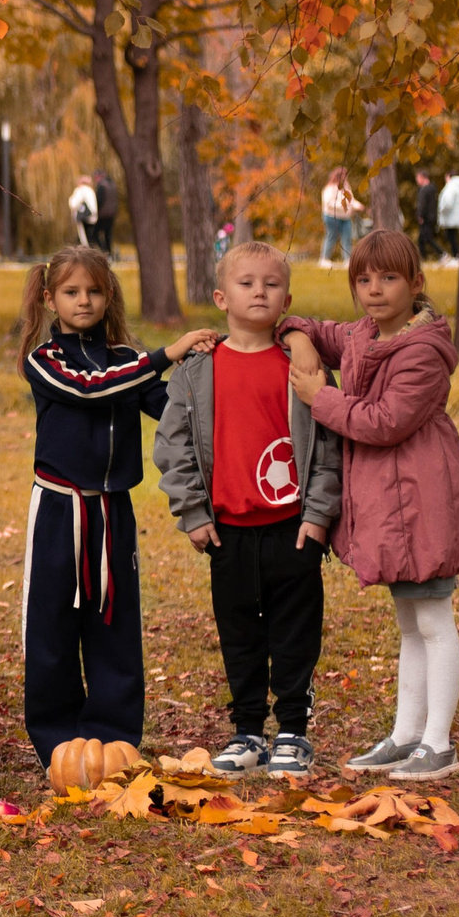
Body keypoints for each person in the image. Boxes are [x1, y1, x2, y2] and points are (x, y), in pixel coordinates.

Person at [283, 231, 459, 781]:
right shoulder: (364, 335)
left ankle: (437, 743)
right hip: (392, 508)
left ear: (415, 285)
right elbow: (322, 332)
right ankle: (405, 734)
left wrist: (318, 398)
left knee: (434, 620)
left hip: (422, 500)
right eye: (363, 280)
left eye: (389, 278)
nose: (374, 290)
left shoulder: (422, 351)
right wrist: (294, 330)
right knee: (410, 624)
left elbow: (384, 421)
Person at [17, 247, 218, 765]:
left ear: (109, 297)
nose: (84, 300)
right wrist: (165, 354)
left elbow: (170, 407)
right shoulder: (44, 361)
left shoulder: (128, 361)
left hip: (112, 513)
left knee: (114, 621)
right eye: (71, 292)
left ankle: (114, 735)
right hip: (61, 511)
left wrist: (208, 371)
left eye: (94, 290)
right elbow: (89, 391)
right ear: (49, 299)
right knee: (52, 624)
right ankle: (57, 738)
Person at [153, 242, 342, 778]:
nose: (259, 291)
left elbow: (327, 445)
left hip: (294, 529)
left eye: (271, 284)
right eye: (246, 283)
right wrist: (192, 511)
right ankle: (247, 731)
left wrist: (319, 513)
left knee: (294, 633)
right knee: (239, 633)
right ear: (220, 297)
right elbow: (174, 446)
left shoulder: (300, 368)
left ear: (287, 300)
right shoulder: (197, 372)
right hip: (228, 531)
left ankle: (292, 734)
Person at [320, 168, 365, 266]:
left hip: (346, 218)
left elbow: (350, 200)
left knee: (347, 237)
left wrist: (358, 206)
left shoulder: (346, 187)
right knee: (331, 236)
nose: (345, 177)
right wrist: (344, 207)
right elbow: (329, 203)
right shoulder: (330, 188)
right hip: (332, 216)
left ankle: (347, 260)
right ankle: (324, 259)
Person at [437, 171, 459, 266]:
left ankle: (456, 255)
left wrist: (442, 210)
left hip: (450, 217)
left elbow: (448, 202)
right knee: (455, 237)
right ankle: (458, 255)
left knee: (451, 237)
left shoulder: (451, 187)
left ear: (449, 177)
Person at [412, 168, 439, 260]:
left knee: (427, 238)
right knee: (422, 239)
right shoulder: (433, 189)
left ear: (422, 177)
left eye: (418, 178)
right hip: (432, 217)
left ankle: (441, 254)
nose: (417, 181)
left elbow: (422, 204)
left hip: (426, 218)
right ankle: (423, 258)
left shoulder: (424, 190)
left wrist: (420, 215)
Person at [91, 169, 119, 254]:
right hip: (111, 214)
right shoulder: (113, 185)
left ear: (99, 176)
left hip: (102, 214)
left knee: (95, 233)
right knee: (108, 234)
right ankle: (109, 252)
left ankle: (104, 250)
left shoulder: (102, 186)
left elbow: (99, 201)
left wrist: (95, 212)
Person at [69, 176, 100, 251]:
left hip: (83, 217)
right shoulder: (91, 191)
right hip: (92, 217)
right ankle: (90, 253)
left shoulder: (80, 190)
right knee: (89, 237)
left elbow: (73, 203)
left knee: (83, 238)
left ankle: (85, 255)